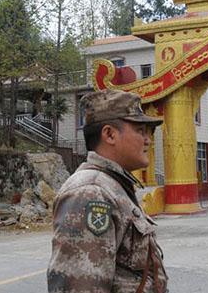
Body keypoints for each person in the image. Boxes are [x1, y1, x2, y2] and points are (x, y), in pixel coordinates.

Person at [47, 89, 168, 293]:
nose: (147, 140)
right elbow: (81, 286)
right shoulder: (91, 192)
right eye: (140, 130)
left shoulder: (113, 185)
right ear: (110, 134)